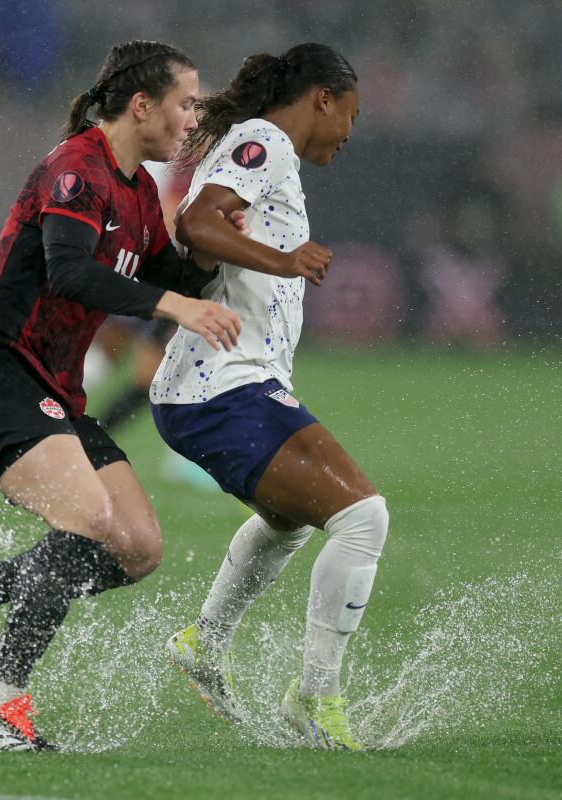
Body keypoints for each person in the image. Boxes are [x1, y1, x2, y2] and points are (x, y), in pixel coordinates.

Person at [0, 40, 246, 752]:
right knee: (91, 520)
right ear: (142, 105)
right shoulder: (78, 167)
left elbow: (174, 276)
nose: (193, 118)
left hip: (52, 390)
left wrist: (214, 253)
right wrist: (175, 305)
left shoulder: (135, 188)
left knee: (137, 546)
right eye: (186, 102)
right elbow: (70, 273)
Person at [150, 44, 380, 752]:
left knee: (288, 522)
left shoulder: (260, 144)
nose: (349, 130)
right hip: (220, 384)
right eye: (351, 113)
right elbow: (199, 223)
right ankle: (316, 696)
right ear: (322, 96)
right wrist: (285, 260)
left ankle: (202, 643)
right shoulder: (266, 140)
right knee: (362, 518)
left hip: (226, 383)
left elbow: (204, 232)